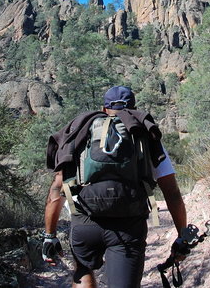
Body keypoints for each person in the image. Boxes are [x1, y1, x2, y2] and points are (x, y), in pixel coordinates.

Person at [43, 86, 189, 288]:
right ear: (133, 108)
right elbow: (171, 193)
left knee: (83, 271)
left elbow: (56, 191)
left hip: (85, 220)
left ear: (103, 109)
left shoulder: (82, 135)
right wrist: (182, 235)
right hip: (128, 225)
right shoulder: (143, 136)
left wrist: (49, 236)